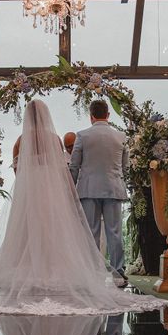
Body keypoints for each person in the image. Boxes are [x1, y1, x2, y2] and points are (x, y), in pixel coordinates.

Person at [0, 99, 168, 315]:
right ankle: (110, 272)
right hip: (58, 193)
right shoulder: (56, 139)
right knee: (65, 231)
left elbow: (17, 171)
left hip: (31, 193)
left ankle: (31, 270)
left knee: (29, 231)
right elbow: (64, 168)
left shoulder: (20, 142)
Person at [69, 100, 129, 285]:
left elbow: (74, 166)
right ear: (108, 115)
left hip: (88, 189)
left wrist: (70, 188)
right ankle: (118, 271)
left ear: (91, 115)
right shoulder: (120, 136)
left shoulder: (82, 136)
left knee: (91, 232)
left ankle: (93, 273)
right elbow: (125, 167)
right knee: (115, 233)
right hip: (113, 188)